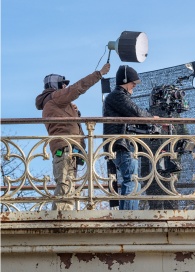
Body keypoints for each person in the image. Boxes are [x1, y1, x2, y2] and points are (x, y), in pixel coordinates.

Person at [35, 63, 111, 210]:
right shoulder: (54, 98)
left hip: (68, 149)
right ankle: (60, 221)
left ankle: (65, 215)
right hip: (65, 148)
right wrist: (99, 74)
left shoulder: (55, 103)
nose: (65, 87)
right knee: (64, 185)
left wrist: (74, 112)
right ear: (55, 86)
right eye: (62, 85)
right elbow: (77, 88)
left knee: (67, 185)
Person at [103, 65, 152, 210]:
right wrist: (152, 118)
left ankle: (126, 213)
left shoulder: (117, 96)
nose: (134, 86)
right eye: (133, 83)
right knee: (131, 179)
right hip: (122, 145)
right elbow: (135, 112)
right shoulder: (117, 96)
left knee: (130, 179)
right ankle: (129, 214)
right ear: (125, 81)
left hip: (123, 144)